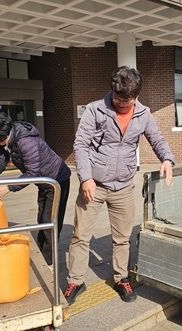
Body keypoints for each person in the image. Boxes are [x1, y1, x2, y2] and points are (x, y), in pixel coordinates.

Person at [65, 66, 175, 305]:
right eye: (117, 98)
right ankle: (76, 280)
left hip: (124, 186)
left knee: (122, 238)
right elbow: (81, 144)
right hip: (93, 185)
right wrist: (85, 178)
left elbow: (156, 138)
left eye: (127, 100)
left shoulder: (143, 114)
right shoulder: (95, 110)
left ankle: (121, 278)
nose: (121, 104)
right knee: (80, 236)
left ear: (136, 96)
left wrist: (167, 158)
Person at [0, 112, 71, 266]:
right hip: (44, 181)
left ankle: (49, 262)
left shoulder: (26, 142)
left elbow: (32, 172)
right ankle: (43, 253)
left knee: (50, 221)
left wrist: (9, 187)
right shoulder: (8, 139)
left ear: (1, 133)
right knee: (42, 218)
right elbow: (2, 157)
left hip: (57, 180)